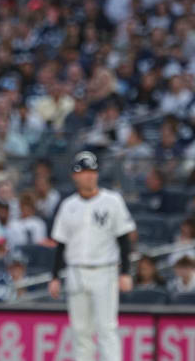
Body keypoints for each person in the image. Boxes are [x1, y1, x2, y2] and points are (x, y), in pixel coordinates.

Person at [48, 151, 135, 361]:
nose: (89, 176)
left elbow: (124, 238)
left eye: (92, 171)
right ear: (75, 176)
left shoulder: (112, 201)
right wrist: (55, 277)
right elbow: (61, 244)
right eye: (84, 172)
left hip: (104, 271)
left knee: (106, 329)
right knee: (80, 332)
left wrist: (125, 272)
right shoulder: (68, 205)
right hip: (76, 271)